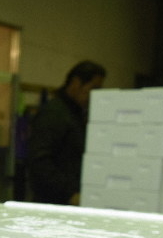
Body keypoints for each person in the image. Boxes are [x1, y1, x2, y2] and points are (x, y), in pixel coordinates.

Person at [27, 60, 106, 205]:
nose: (95, 96)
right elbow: (40, 162)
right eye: (93, 89)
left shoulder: (76, 114)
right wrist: (69, 193)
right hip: (53, 203)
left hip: (68, 199)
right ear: (76, 83)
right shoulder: (54, 114)